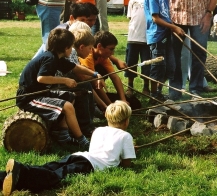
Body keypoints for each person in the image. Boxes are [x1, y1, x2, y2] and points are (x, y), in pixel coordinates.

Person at [1, 101, 136, 195]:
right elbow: (126, 164)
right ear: (126, 121)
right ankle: (21, 172)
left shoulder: (98, 130)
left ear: (107, 117)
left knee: (50, 166)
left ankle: (4, 176)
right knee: (55, 176)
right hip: (89, 165)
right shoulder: (126, 136)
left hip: (79, 156)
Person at [16, 28, 104, 149]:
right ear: (66, 48)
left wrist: (95, 74)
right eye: (71, 46)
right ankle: (82, 140)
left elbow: (75, 68)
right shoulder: (50, 59)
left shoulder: (57, 58)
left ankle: (63, 135)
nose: (72, 49)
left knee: (70, 96)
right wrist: (65, 80)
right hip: (29, 97)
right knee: (67, 106)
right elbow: (41, 78)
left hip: (40, 93)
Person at [144, 0, 185, 102]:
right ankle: (154, 94)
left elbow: (166, 15)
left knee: (169, 66)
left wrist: (174, 27)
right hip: (157, 36)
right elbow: (155, 18)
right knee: (157, 66)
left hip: (166, 35)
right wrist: (173, 27)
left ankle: (160, 92)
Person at [56, 23, 96, 137]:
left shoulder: (72, 51)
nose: (90, 52)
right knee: (84, 87)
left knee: (85, 86)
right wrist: (95, 76)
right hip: (56, 85)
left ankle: (88, 121)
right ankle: (86, 126)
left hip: (60, 83)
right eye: (89, 49)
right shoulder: (72, 51)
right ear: (82, 47)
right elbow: (80, 75)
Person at [79, 31, 127, 108]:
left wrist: (123, 99)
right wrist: (110, 106)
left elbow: (114, 77)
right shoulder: (88, 55)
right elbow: (95, 83)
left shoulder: (103, 56)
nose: (113, 53)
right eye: (111, 49)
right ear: (99, 46)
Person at [124, 0, 152, 97]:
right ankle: (130, 86)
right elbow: (131, 18)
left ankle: (146, 87)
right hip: (133, 38)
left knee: (146, 64)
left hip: (147, 39)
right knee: (131, 63)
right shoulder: (133, 1)